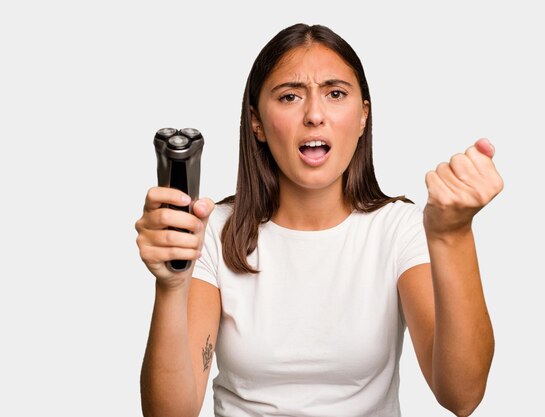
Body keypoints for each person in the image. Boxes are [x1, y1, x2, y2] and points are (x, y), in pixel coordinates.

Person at [135, 23, 503, 417]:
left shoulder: (399, 229)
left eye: (335, 94)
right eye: (290, 96)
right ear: (256, 121)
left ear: (363, 117)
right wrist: (172, 286)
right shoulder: (215, 232)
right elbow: (171, 413)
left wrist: (453, 235)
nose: (314, 115)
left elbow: (462, 396)